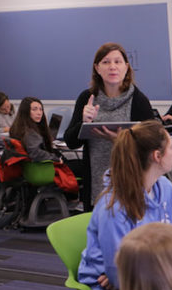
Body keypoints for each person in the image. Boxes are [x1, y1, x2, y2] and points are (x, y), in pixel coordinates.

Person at [78, 120, 172, 290]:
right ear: (157, 156)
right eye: (170, 147)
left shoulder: (165, 189)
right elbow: (119, 277)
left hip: (146, 277)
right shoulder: (114, 207)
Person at [64, 42, 154, 205]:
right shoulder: (87, 98)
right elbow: (71, 142)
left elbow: (153, 143)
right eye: (106, 62)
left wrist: (122, 139)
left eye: (117, 62)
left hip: (131, 180)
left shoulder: (138, 100)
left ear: (126, 67)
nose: (112, 67)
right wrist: (84, 123)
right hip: (95, 183)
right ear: (97, 68)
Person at [9, 97, 62, 163]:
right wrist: (56, 158)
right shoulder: (29, 132)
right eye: (34, 109)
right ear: (25, 112)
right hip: (44, 167)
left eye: (41, 109)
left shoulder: (19, 128)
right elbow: (36, 153)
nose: (39, 113)